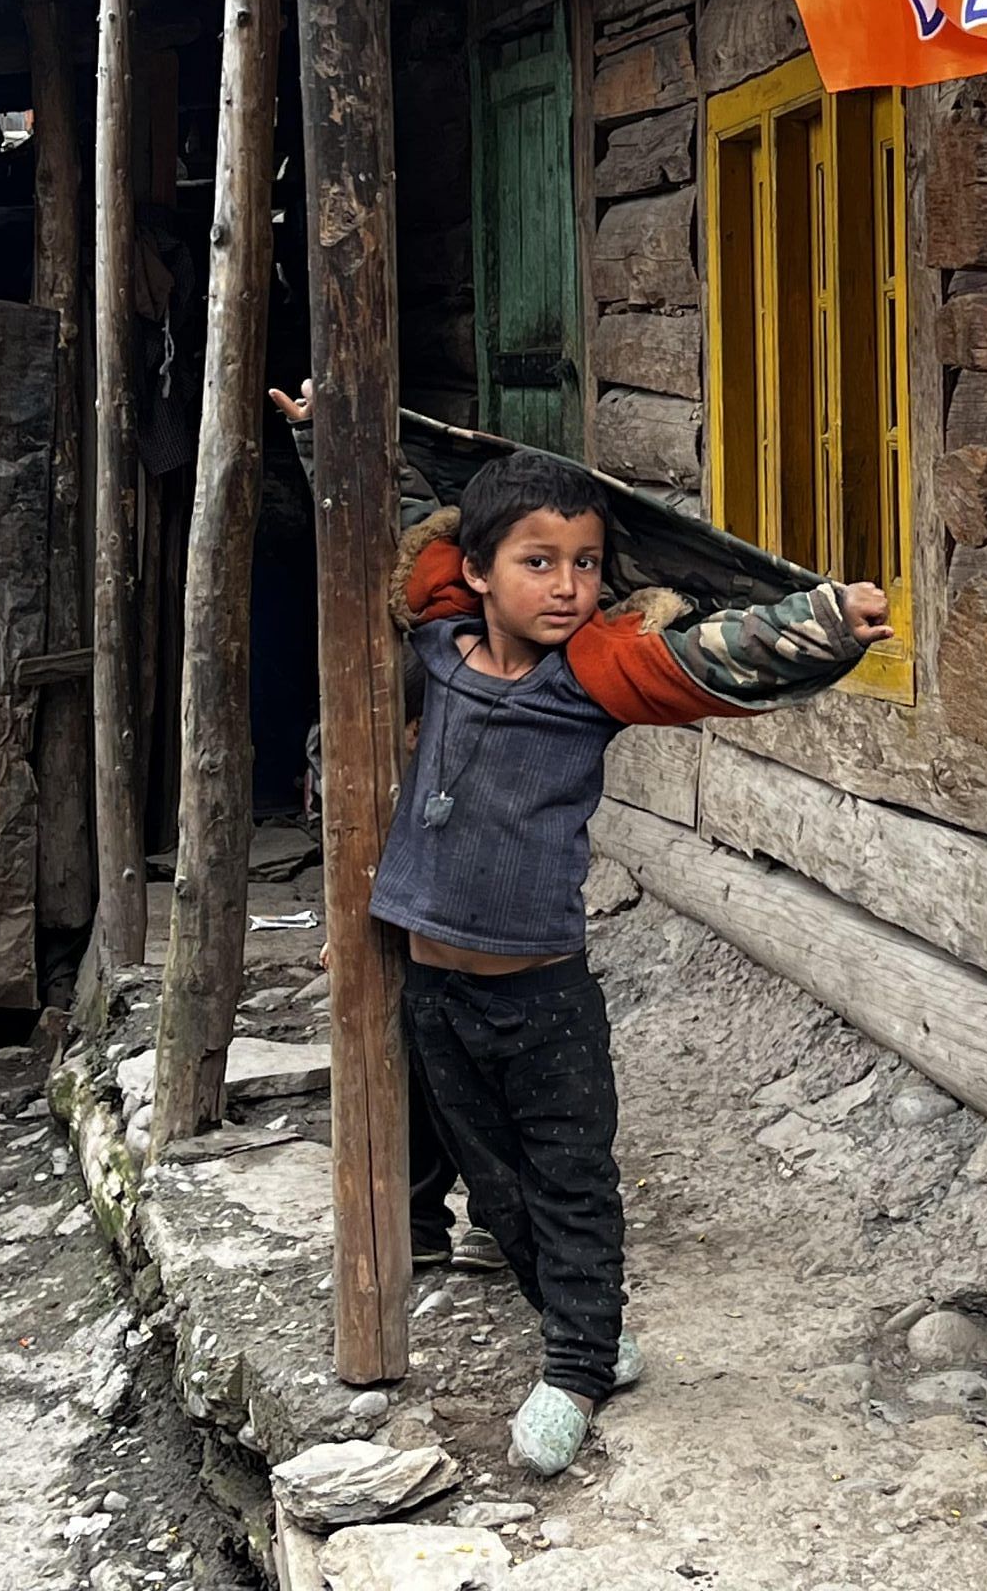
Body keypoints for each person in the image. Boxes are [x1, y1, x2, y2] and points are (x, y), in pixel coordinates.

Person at [352, 442, 888, 1478]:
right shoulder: (439, 643)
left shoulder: (595, 677)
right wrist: (318, 428)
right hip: (433, 989)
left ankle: (577, 1368)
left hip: (541, 995)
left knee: (570, 1185)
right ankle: (587, 1334)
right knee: (496, 1194)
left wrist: (824, 619)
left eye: (588, 563)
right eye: (538, 561)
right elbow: (401, 524)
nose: (567, 585)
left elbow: (725, 648)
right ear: (477, 571)